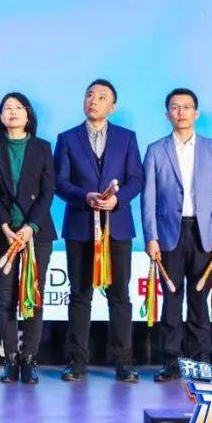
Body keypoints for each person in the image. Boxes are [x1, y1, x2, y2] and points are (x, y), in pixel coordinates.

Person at [54, 79, 143, 383]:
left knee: (120, 297)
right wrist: (85, 197)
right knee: (79, 295)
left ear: (112, 107)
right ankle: (76, 362)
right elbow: (59, 183)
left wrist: (118, 199)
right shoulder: (67, 138)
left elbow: (136, 180)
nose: (93, 100)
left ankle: (124, 362)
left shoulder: (127, 138)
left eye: (101, 97)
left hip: (117, 228)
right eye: (89, 95)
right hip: (80, 226)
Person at [142, 88, 212, 382]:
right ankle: (171, 362)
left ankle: (201, 360)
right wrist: (151, 236)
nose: (181, 112)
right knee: (171, 299)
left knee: (199, 299)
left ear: (197, 113)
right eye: (175, 107)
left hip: (204, 234)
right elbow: (148, 198)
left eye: (186, 107)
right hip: (169, 233)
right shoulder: (156, 150)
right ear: (167, 113)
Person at [0, 92, 54, 384]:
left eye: (18, 107)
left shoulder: (42, 147)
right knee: (6, 299)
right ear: (1, 117)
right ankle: (10, 359)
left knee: (33, 297)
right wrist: (4, 224)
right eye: (7, 108)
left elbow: (48, 191)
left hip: (36, 234)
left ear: (28, 115)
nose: (12, 112)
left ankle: (29, 360)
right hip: (3, 233)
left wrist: (30, 227)